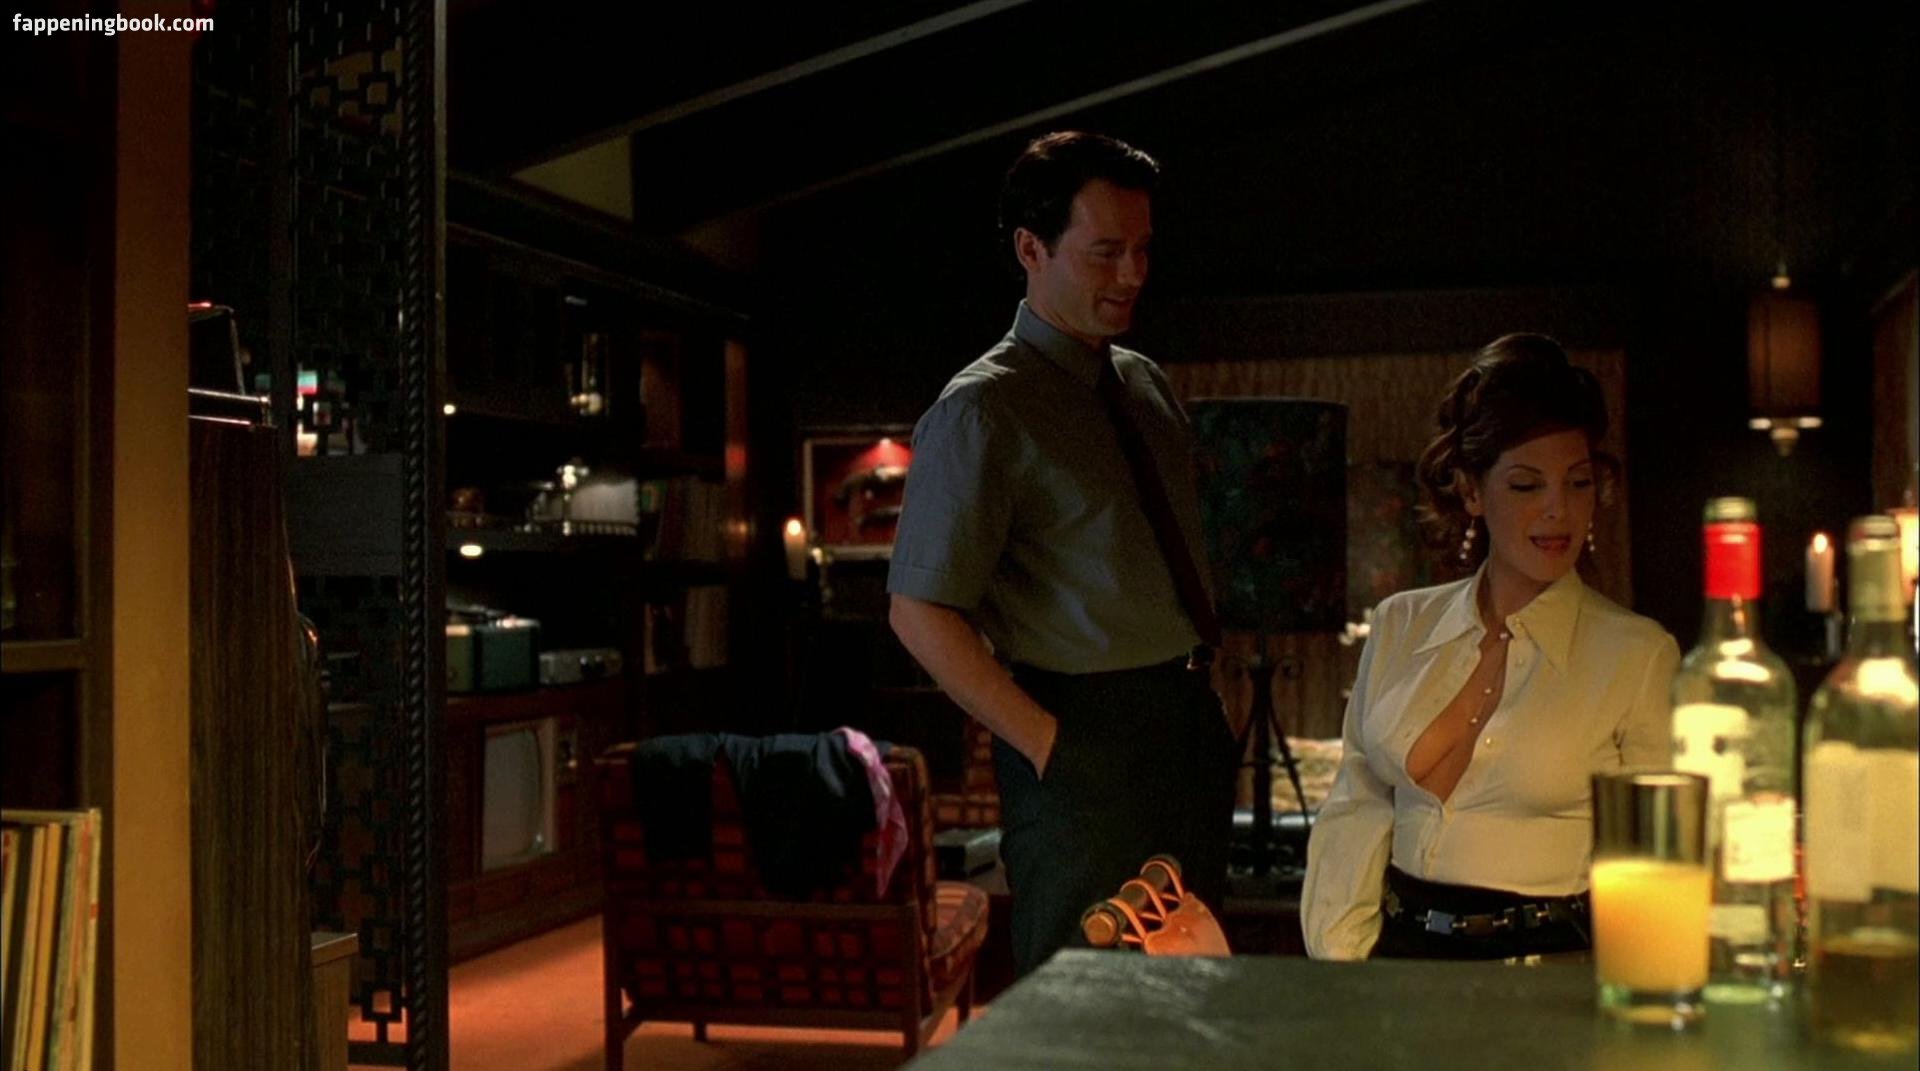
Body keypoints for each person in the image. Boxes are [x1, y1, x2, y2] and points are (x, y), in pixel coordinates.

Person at [887, 131, 1238, 977]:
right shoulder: (983, 409)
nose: (1132, 274)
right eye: (1105, 252)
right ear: (1031, 249)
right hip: (1079, 731)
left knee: (1196, 986)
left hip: (1184, 722)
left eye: (1143, 249)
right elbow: (918, 611)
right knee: (1086, 999)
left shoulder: (1143, 383)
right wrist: (1049, 744)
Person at [1301, 334, 1680, 961]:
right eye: (1527, 486)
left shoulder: (1637, 655)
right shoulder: (1401, 625)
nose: (1559, 511)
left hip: (1548, 966)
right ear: (1472, 492)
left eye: (1578, 483)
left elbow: (1656, 866)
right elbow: (1357, 808)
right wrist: (1345, 969)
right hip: (1399, 959)